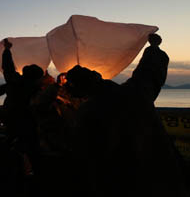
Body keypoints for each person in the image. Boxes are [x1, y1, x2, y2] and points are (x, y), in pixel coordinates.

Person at [65, 34, 188, 197]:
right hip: (164, 175)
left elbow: (87, 160)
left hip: (124, 184)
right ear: (97, 75)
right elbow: (150, 71)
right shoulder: (136, 91)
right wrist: (154, 47)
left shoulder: (87, 113)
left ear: (78, 92)